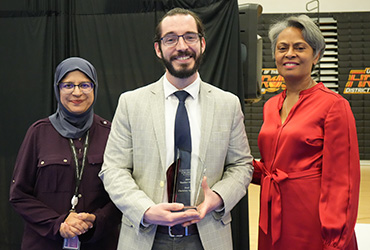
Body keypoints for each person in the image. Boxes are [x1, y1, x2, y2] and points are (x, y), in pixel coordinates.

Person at [98, 7, 254, 250]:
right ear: (158, 49)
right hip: (145, 235)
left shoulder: (227, 104)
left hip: (207, 236)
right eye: (171, 38)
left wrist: (218, 198)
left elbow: (242, 165)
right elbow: (113, 169)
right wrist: (146, 210)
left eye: (190, 37)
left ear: (202, 44)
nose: (182, 46)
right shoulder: (131, 103)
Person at [252, 15, 360, 250]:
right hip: (272, 217)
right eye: (282, 48)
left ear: (316, 56)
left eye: (299, 47)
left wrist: (334, 239)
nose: (289, 53)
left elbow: (342, 181)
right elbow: (271, 167)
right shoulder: (270, 105)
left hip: (313, 221)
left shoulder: (334, 105)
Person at [9, 57, 122, 250]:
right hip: (45, 243)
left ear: (94, 88)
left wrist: (97, 220)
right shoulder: (38, 132)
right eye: (68, 85)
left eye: (85, 85)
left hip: (99, 243)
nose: (77, 92)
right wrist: (58, 223)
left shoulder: (111, 134)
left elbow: (123, 194)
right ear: (57, 88)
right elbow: (19, 195)